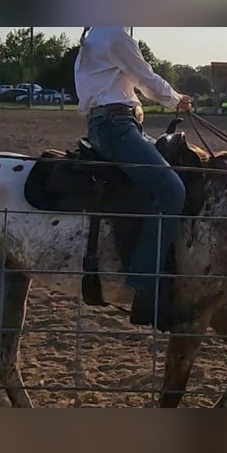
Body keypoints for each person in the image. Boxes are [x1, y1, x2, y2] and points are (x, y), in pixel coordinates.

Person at [74, 27, 200, 331]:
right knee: (171, 190)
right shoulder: (114, 34)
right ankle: (145, 285)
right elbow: (146, 78)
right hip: (116, 125)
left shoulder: (96, 35)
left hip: (113, 123)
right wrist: (176, 98)